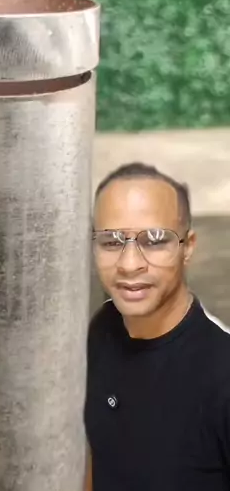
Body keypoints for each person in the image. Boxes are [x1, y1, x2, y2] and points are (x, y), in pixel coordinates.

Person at [84, 162, 230, 491]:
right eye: (111, 241)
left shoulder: (221, 374)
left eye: (154, 240)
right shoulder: (102, 329)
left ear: (187, 247)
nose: (129, 264)